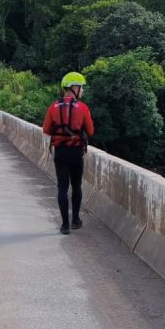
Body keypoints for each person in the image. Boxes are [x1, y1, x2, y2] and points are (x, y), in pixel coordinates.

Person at [42, 72, 94, 235]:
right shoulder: (83, 108)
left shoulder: (53, 107)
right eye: (81, 87)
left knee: (62, 188)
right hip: (76, 153)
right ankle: (75, 220)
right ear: (74, 87)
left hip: (61, 153)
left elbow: (46, 129)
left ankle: (65, 225)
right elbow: (90, 131)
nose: (82, 90)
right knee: (76, 186)